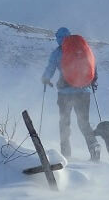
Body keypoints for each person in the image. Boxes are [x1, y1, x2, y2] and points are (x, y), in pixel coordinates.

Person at [41, 26, 99, 161]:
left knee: (64, 123)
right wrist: (93, 81)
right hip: (84, 92)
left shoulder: (57, 53)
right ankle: (94, 146)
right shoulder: (83, 49)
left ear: (58, 38)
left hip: (65, 93)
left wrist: (45, 78)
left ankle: (65, 155)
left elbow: (50, 68)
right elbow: (92, 65)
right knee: (84, 122)